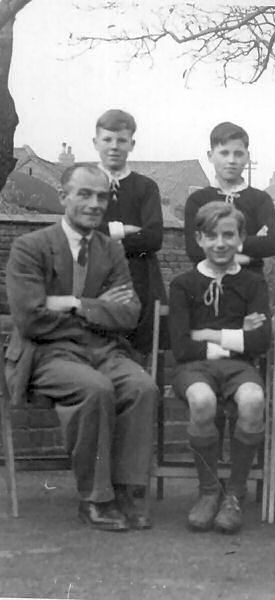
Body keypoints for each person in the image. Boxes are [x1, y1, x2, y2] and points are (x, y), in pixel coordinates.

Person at [4, 164, 158, 531]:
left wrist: (73, 303)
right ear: (63, 197)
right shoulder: (30, 247)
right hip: (47, 352)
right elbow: (31, 319)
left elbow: (129, 314)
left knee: (142, 387)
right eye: (84, 194)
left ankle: (125, 491)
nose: (94, 204)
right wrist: (98, 307)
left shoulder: (111, 250)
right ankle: (96, 498)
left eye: (102, 196)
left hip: (103, 350)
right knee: (95, 388)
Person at [168, 201, 271, 534]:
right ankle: (209, 491)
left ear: (241, 238)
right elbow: (182, 346)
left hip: (240, 369)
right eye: (211, 236)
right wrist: (237, 335)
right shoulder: (184, 284)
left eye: (229, 235)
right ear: (199, 239)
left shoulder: (253, 284)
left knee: (254, 400)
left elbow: (260, 342)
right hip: (194, 368)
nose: (220, 243)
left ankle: (235, 494)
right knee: (202, 401)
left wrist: (208, 333)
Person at [94, 108, 166, 358]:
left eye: (121, 140)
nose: (114, 146)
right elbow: (80, 232)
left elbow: (153, 238)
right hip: (94, 271)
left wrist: (102, 235)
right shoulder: (84, 182)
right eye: (107, 139)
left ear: (131, 144)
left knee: (137, 348)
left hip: (139, 275)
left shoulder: (145, 187)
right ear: (95, 142)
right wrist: (122, 230)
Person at [183, 121, 275, 274]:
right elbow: (194, 250)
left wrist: (217, 244)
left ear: (247, 157)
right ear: (210, 156)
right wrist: (247, 255)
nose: (231, 160)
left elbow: (273, 244)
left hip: (250, 283)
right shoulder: (198, 200)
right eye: (224, 153)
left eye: (238, 154)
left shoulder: (260, 199)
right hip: (208, 283)